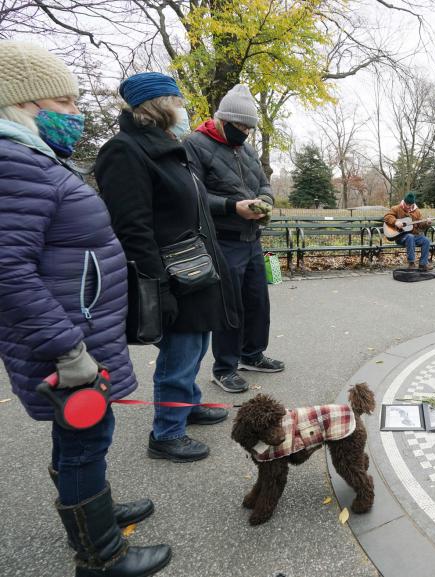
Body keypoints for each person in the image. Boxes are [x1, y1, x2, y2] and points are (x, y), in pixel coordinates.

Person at [0, 41, 170, 576]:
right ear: (26, 104)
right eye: (67, 103)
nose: (77, 114)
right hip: (66, 337)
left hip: (81, 326)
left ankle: (96, 512)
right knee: (82, 438)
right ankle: (100, 555)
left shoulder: (35, 160)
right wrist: (67, 348)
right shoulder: (15, 166)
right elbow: (8, 271)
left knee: (84, 436)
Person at [95, 72, 240, 463]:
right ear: (158, 106)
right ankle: (167, 433)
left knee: (196, 344)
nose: (183, 108)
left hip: (195, 269)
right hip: (170, 273)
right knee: (180, 349)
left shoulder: (169, 147)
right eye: (177, 100)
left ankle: (186, 405)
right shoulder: (125, 151)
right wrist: (157, 286)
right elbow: (132, 227)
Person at [185, 84, 285, 394]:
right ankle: (224, 368)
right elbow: (193, 194)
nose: (244, 132)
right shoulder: (195, 144)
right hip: (222, 239)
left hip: (251, 237)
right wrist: (232, 206)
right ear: (223, 120)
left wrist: (264, 202)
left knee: (257, 301)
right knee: (230, 307)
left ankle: (252, 354)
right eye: (240, 126)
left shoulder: (248, 149)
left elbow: (263, 185)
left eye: (249, 128)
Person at [384, 192, 432, 271]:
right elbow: (387, 217)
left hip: (414, 236)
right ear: (404, 202)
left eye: (411, 205)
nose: (409, 207)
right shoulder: (396, 208)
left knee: (426, 240)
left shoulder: (416, 211)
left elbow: (421, 225)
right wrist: (395, 221)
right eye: (407, 205)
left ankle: (423, 264)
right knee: (410, 237)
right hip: (400, 237)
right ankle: (411, 263)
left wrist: (427, 223)